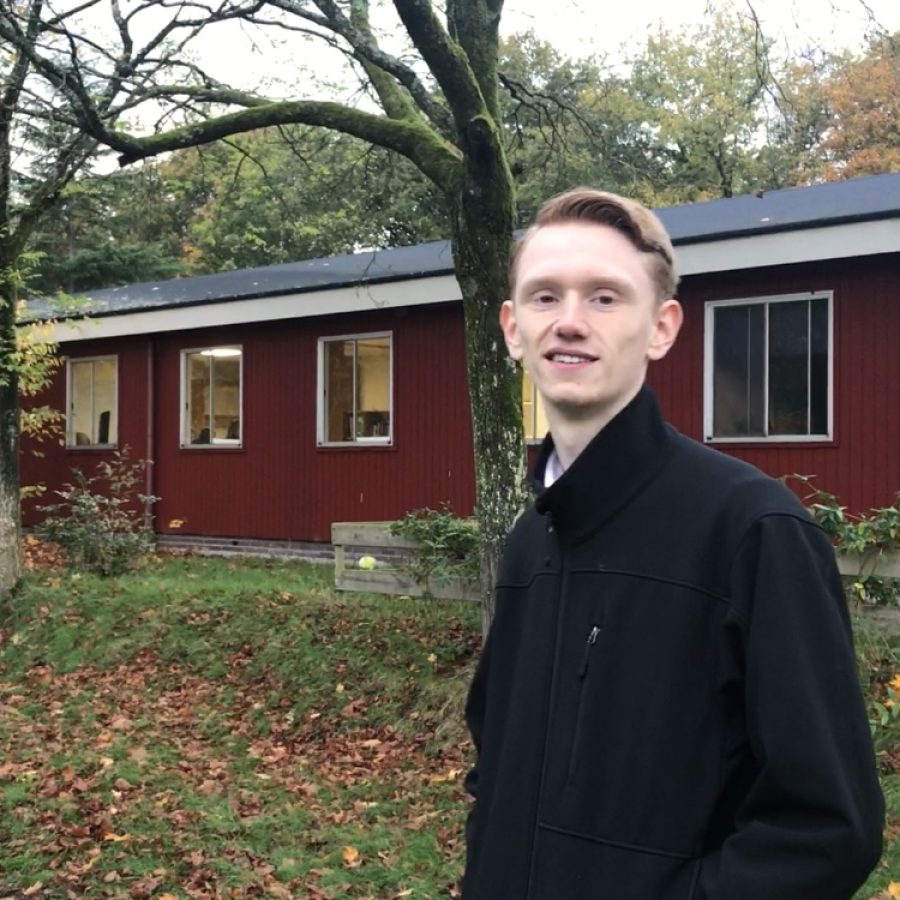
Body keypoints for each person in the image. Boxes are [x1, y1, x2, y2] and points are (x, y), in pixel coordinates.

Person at [462, 188, 884, 899]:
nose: (569, 322)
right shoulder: (530, 541)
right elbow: (496, 768)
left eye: (604, 298)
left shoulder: (752, 530)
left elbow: (827, 829)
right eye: (543, 297)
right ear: (510, 328)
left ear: (661, 328)